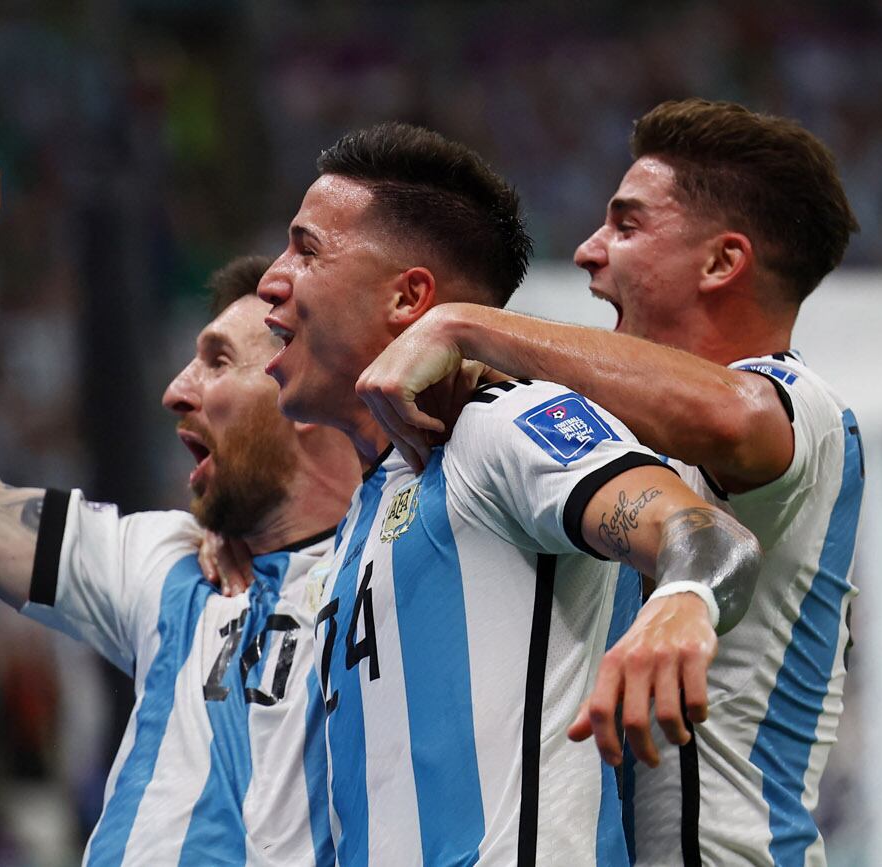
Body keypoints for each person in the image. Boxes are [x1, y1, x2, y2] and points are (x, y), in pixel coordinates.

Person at [356, 98, 864, 865]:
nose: (590, 251)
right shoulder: (604, 435)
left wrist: (464, 323)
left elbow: (734, 417)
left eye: (626, 226)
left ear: (723, 262)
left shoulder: (806, 409)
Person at [257, 122, 763, 865]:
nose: (272, 277)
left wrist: (682, 602)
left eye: (306, 249)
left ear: (409, 297)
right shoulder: (365, 515)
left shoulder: (502, 424)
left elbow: (709, 537)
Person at [0, 147, 361, 865]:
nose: (176, 388)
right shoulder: (163, 559)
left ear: (300, 383)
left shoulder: (399, 558)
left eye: (217, 359)